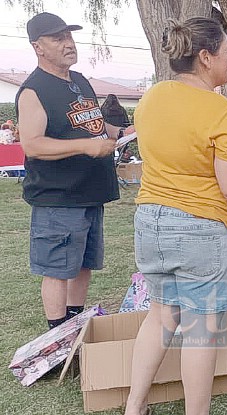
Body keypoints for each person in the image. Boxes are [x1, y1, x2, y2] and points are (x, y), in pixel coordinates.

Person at [118, 17, 227, 415]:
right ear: (206, 57)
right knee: (201, 327)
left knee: (160, 315)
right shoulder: (222, 112)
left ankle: (133, 409)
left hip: (150, 220)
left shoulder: (151, 99)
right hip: (200, 230)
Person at [16, 12, 131, 330]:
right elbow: (33, 144)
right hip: (58, 198)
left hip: (90, 192)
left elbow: (93, 124)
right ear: (38, 47)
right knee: (57, 269)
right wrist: (85, 147)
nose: (68, 43)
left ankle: (76, 325)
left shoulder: (79, 81)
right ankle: (57, 340)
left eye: (69, 36)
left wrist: (124, 132)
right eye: (58, 38)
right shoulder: (33, 90)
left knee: (83, 265)